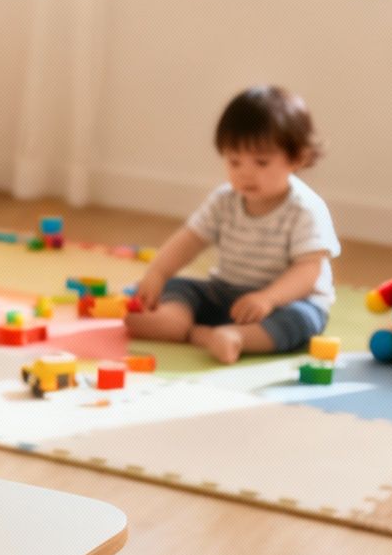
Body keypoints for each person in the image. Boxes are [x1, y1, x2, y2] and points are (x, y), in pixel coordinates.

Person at [126, 85, 340, 365]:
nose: (245, 173)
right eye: (234, 161)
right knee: (180, 287)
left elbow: (308, 271)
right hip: (226, 293)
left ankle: (235, 337)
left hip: (284, 301)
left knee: (303, 319)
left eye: (261, 162)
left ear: (296, 158)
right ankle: (176, 322)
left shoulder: (305, 209)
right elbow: (190, 239)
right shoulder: (224, 200)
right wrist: (158, 273)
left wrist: (268, 298)